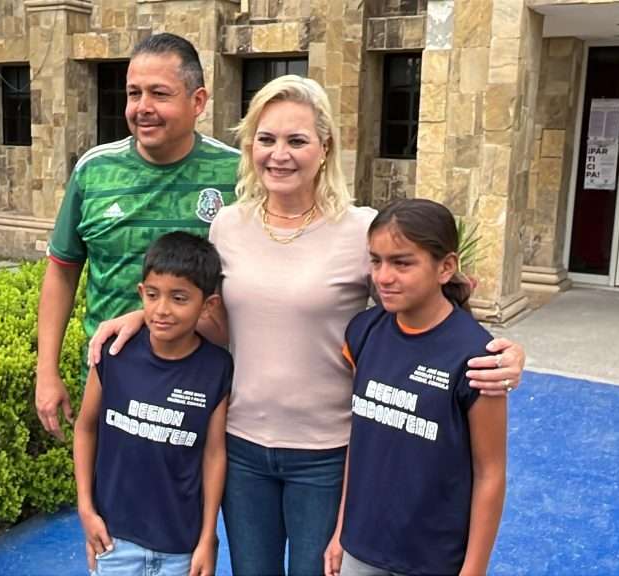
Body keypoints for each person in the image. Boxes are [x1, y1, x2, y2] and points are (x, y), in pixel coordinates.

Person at [90, 75, 525, 575]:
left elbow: (427, 302)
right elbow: (207, 315)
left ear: (325, 148)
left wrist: (505, 353)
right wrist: (141, 315)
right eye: (266, 139)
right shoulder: (227, 226)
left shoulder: (360, 230)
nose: (279, 154)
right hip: (243, 446)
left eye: (296, 140)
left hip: (327, 453)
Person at [36, 33, 240, 441]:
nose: (142, 107)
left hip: (201, 393)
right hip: (110, 382)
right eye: (134, 93)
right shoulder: (94, 170)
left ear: (198, 101)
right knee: (105, 482)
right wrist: (46, 372)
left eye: (159, 94)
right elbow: (62, 270)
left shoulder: (237, 174)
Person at [323, 199, 507, 576]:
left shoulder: (477, 357)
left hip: (433, 558)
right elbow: (361, 440)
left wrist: (474, 570)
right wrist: (342, 530)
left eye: (402, 263)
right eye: (376, 261)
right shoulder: (364, 332)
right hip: (361, 548)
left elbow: (490, 472)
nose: (384, 276)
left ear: (446, 267)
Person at [73, 231, 232, 576]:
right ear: (140, 292)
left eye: (179, 298)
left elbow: (214, 454)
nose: (162, 310)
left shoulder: (216, 368)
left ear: (207, 305)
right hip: (113, 541)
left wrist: (208, 537)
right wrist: (85, 508)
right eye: (152, 295)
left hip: (181, 548)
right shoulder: (114, 353)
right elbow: (85, 428)